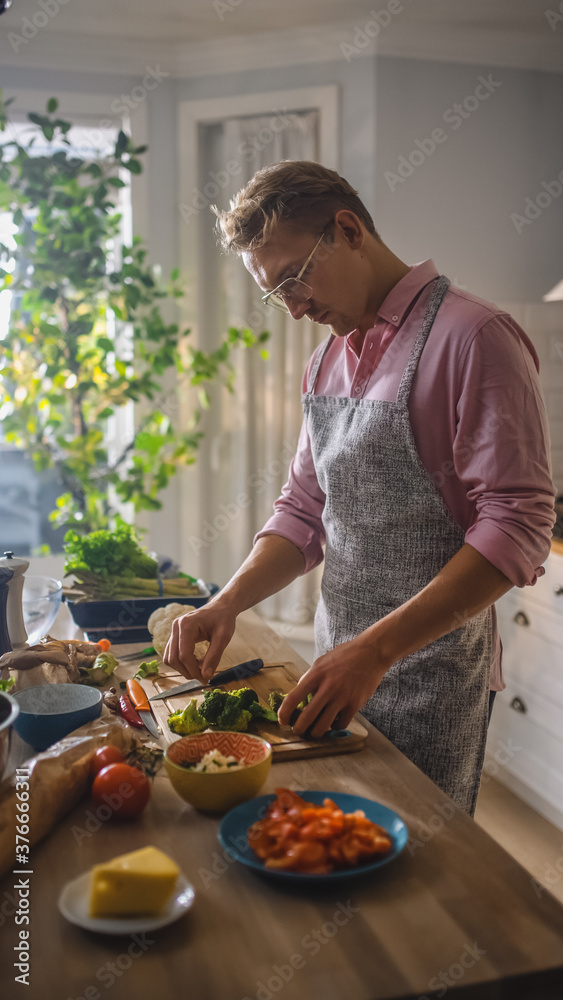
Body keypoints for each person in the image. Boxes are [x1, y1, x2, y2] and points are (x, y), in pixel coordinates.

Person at [164, 161, 555, 815]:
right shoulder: (325, 359)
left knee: (423, 876)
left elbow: (517, 523)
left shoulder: (473, 337)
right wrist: (225, 603)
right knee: (339, 846)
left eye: (293, 278)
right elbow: (305, 510)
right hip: (335, 658)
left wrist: (375, 651)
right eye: (275, 293)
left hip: (429, 675)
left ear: (347, 230)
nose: (293, 309)